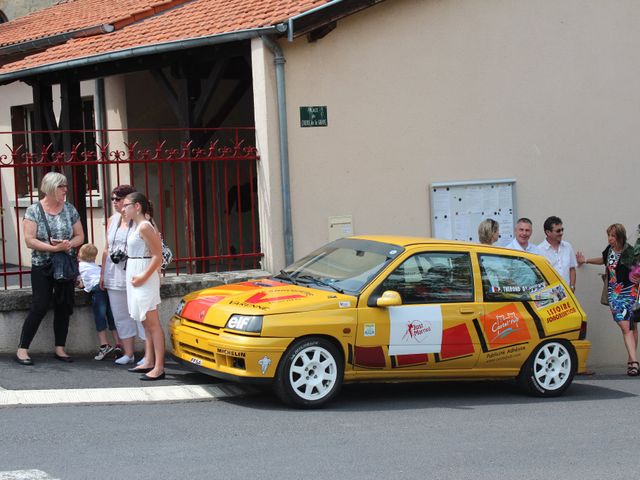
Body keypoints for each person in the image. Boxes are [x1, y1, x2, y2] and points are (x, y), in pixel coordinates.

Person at [16, 172, 84, 365]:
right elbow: (30, 241)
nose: (65, 190)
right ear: (51, 188)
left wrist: (68, 244)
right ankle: (22, 349)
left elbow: (80, 235)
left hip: (64, 265)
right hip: (42, 265)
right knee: (40, 305)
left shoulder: (69, 209)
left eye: (65, 186)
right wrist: (54, 248)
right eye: (61, 186)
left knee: (64, 305)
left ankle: (60, 348)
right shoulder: (34, 210)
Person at [577, 224, 639, 376]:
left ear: (620, 236)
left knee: (630, 327)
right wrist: (586, 261)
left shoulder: (630, 252)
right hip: (615, 295)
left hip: (630, 293)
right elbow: (603, 260)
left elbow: (637, 270)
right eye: (609, 235)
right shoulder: (609, 250)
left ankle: (633, 362)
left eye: (613, 236)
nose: (610, 239)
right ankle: (633, 361)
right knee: (626, 327)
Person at [121, 192, 165, 380]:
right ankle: (149, 360)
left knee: (152, 323)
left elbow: (158, 256)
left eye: (126, 205)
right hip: (137, 273)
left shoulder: (145, 226)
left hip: (143, 275)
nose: (122, 209)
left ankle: (159, 367)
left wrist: (142, 277)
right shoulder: (137, 225)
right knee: (146, 321)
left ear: (137, 206)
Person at [100, 185, 145, 366]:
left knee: (140, 313)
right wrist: (103, 273)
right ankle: (128, 353)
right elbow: (106, 248)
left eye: (118, 199)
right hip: (114, 272)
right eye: (113, 199)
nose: (115, 203)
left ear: (131, 201)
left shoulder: (141, 220)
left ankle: (148, 354)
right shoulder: (113, 220)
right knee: (120, 315)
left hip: (134, 272)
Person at [77, 243, 120, 360]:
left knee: (100, 316)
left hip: (97, 289)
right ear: (94, 257)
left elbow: (81, 284)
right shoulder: (95, 266)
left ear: (80, 254)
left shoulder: (80, 267)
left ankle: (104, 345)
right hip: (106, 286)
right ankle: (118, 344)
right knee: (111, 315)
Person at [538, 216, 577, 291]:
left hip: (568, 293)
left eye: (562, 230)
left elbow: (572, 269)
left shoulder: (568, 246)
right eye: (558, 231)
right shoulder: (539, 250)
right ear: (548, 232)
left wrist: (572, 287)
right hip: (550, 295)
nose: (561, 233)